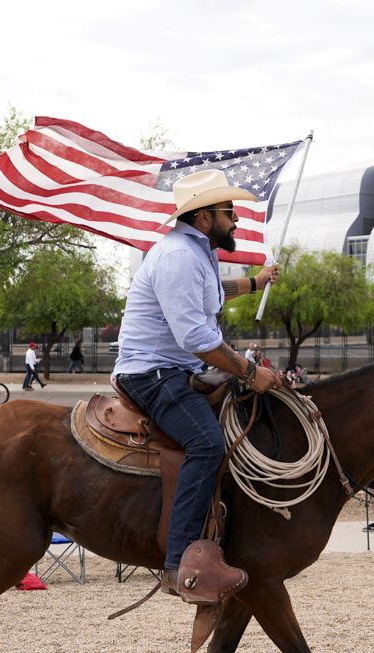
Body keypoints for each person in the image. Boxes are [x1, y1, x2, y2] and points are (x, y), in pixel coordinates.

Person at [113, 169, 280, 605]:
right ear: (204, 217)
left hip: (174, 369)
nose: (236, 219)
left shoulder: (196, 252)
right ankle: (179, 565)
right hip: (152, 373)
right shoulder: (178, 256)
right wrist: (250, 371)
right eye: (229, 211)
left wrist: (256, 282)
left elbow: (212, 293)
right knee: (206, 443)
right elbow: (196, 338)